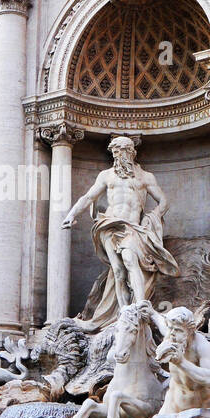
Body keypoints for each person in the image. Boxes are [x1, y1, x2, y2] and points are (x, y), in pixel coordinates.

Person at [62, 135, 178, 327]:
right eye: (115, 152)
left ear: (132, 152)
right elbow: (88, 197)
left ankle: (141, 307)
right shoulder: (106, 175)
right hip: (108, 224)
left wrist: (152, 218)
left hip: (131, 227)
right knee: (117, 271)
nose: (118, 156)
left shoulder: (145, 177)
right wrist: (71, 215)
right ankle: (123, 316)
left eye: (122, 151)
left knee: (130, 260)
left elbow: (163, 201)